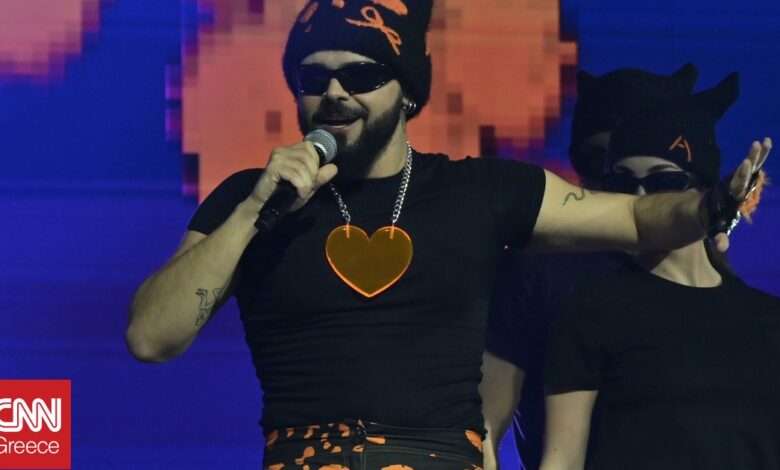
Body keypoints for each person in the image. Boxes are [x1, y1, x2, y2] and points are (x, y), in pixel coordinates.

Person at [125, 1, 769, 468]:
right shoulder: (252, 197)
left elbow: (629, 218)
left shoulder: (478, 191)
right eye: (313, 78)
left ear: (407, 91)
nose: (335, 93)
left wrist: (711, 204)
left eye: (361, 75)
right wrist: (254, 210)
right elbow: (152, 338)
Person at [540, 73, 780, 470]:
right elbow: (561, 460)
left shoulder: (768, 322)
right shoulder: (593, 310)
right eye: (622, 182)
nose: (638, 198)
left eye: (663, 181)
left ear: (705, 193)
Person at [480, 64, 701, 469]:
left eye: (656, 176)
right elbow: (484, 426)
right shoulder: (540, 269)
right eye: (598, 161)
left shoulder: (706, 275)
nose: (621, 185)